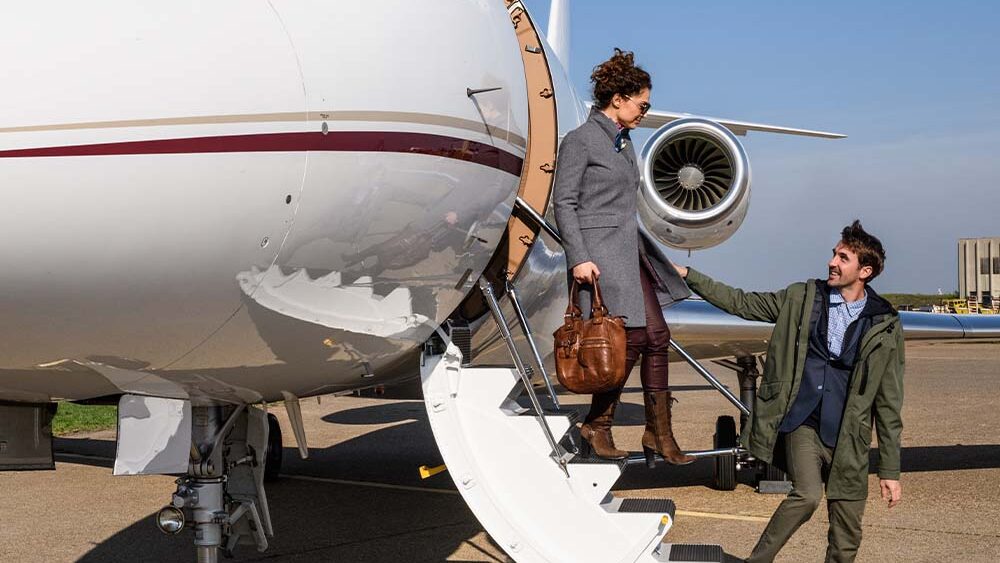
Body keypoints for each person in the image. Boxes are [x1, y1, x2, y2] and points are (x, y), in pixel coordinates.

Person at [671, 220, 904, 563]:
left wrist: (890, 472)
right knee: (807, 496)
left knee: (847, 533)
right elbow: (741, 303)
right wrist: (689, 275)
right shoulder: (802, 298)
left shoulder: (884, 323)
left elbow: (888, 403)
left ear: (865, 271)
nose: (832, 262)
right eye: (834, 254)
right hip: (802, 423)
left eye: (843, 258)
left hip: (849, 437)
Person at [553, 49, 693, 466]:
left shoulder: (624, 142)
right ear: (617, 99)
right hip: (599, 259)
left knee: (657, 336)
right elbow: (564, 202)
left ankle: (658, 433)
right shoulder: (580, 140)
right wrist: (578, 257)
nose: (644, 113)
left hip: (629, 253)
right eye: (642, 105)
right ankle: (599, 424)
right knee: (626, 339)